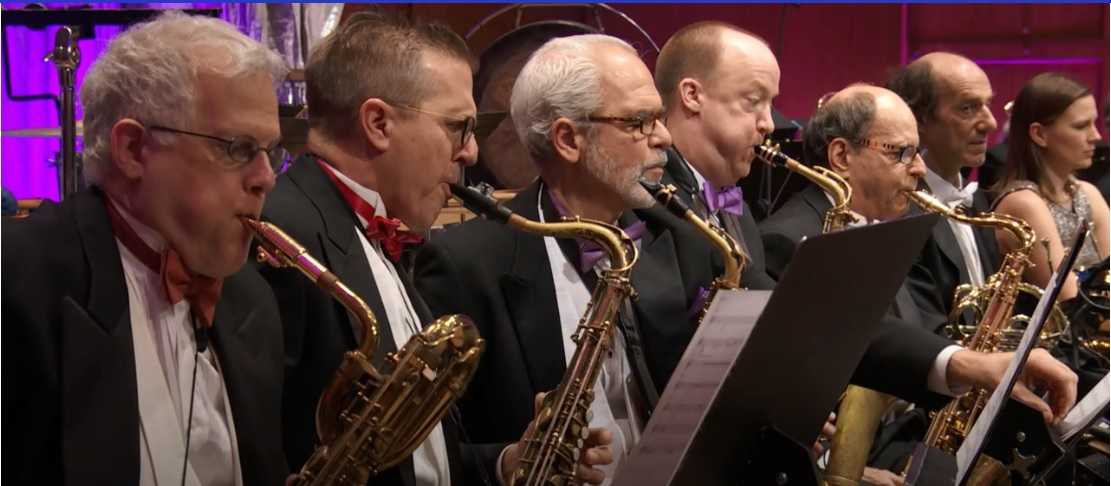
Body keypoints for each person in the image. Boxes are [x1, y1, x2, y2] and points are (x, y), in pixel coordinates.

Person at [256, 12, 610, 485]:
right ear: (378, 123)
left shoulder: (382, 227)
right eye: (457, 126)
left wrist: (509, 462)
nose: (472, 153)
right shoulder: (283, 235)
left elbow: (414, 462)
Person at [415, 34, 720, 485]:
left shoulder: (675, 234)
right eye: (640, 122)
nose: (665, 138)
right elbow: (428, 457)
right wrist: (508, 461)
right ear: (568, 139)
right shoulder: (465, 263)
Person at [2, 11, 289, 485]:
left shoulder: (252, 299)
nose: (267, 178)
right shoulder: (16, 282)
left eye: (270, 151)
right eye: (238, 148)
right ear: (134, 149)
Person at [761, 83, 1078, 482]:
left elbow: (917, 333)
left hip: (910, 442)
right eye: (901, 153)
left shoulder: (889, 229)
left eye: (917, 153)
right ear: (841, 155)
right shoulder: (789, 240)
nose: (918, 169)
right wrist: (849, 470)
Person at [651, 21, 777, 289]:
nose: (769, 123)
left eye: (771, 103)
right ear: (692, 95)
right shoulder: (646, 204)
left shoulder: (737, 206)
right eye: (753, 100)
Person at [887, 52, 1003, 320]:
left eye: (987, 104)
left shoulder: (981, 201)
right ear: (920, 120)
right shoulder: (898, 213)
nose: (991, 123)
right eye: (967, 108)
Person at [991, 72, 1109, 300]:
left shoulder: (1086, 192)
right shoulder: (1023, 202)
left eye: (1093, 123)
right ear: (1040, 134)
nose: (1095, 136)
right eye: (1081, 126)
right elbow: (1068, 299)